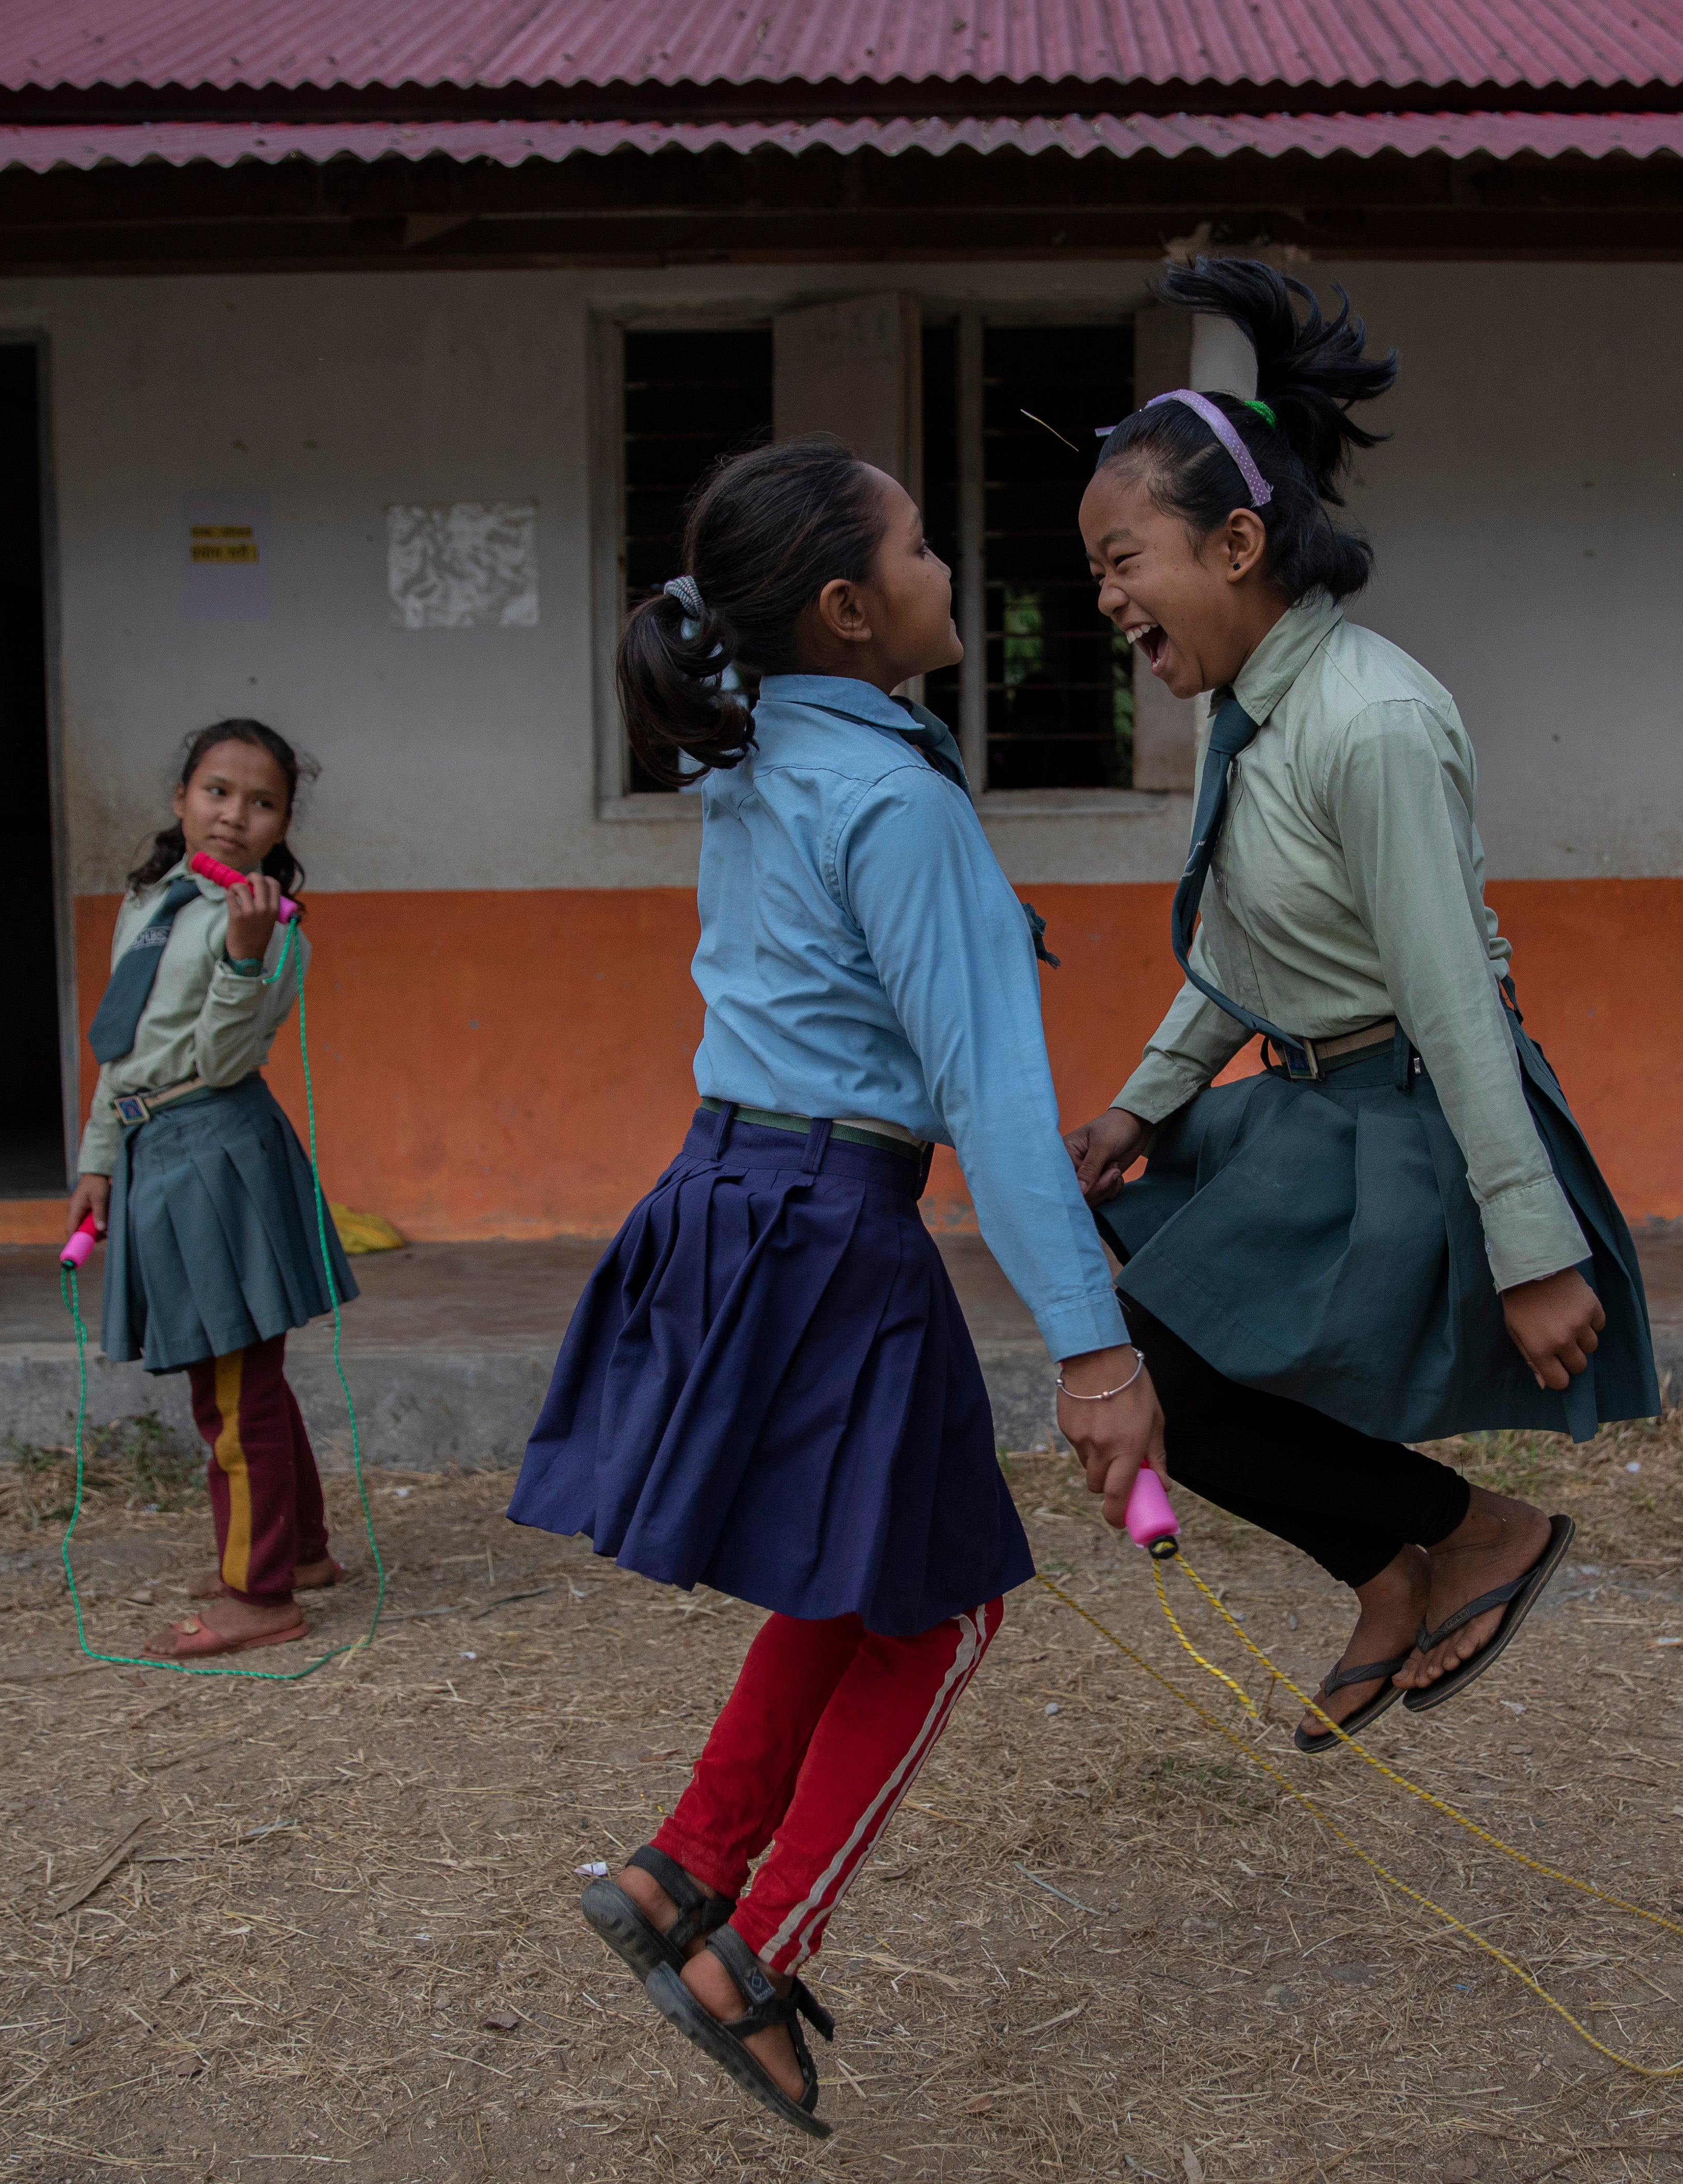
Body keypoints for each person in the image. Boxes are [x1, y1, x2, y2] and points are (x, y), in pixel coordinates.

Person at [511, 436, 1167, 2140]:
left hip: (732, 1186)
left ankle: (681, 1874)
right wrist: (1095, 1353)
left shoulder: (764, 754)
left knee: (862, 1567)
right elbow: (994, 1100)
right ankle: (756, 1953)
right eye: (929, 548)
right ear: (852, 609)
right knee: (942, 1604)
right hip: (829, 1218)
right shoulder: (892, 796)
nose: (958, 573)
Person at [1066, 259, 1659, 1753]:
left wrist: (1534, 1247)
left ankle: (1473, 1538)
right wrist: (1145, 1095)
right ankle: (1396, 1571)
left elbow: (1454, 994)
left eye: (1123, 557)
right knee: (1159, 1350)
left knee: (1172, 1363)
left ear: (1240, 540)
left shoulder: (1369, 719)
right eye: (1096, 569)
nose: (1106, 598)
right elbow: (1251, 943)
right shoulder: (1249, 708)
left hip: (1407, 1113)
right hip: (1312, 1096)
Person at [64, 720, 357, 1662]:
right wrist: (98, 1157)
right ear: (181, 797)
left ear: (282, 826)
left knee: (234, 1388)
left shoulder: (274, 932)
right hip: (155, 1150)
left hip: (217, 1150)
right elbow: (122, 1044)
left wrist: (241, 957)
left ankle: (258, 1594)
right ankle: (301, 1553)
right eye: (217, 792)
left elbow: (226, 1060)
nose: (234, 816)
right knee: (235, 1375)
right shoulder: (152, 901)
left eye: (260, 802)